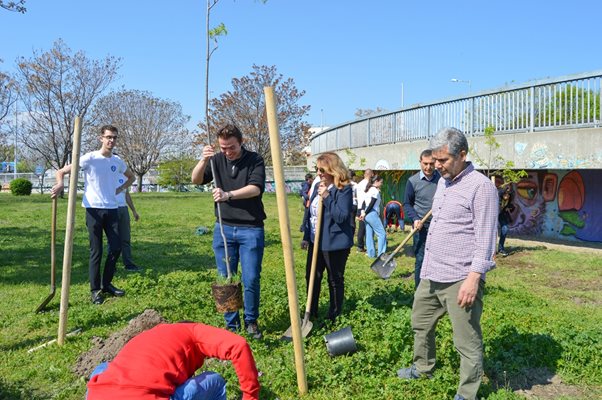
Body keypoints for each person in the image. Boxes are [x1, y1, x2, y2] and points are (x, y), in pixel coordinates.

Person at [396, 127, 498, 400]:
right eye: (434, 160)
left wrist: (473, 278)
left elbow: (487, 238)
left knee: (466, 339)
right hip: (432, 272)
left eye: (443, 160)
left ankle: (467, 393)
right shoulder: (444, 182)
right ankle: (423, 367)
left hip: (460, 278)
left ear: (462, 154)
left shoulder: (481, 187)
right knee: (420, 322)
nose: (437, 166)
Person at [191, 124, 266, 339]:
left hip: (250, 229)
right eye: (223, 148)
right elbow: (195, 179)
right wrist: (204, 159)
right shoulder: (215, 161)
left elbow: (255, 188)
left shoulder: (255, 160)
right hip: (223, 228)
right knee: (226, 278)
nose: (227, 152)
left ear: (240, 142)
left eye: (231, 147)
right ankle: (231, 326)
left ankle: (251, 321)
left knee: (251, 278)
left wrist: (228, 195)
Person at [51, 125, 135, 305]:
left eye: (114, 138)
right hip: (93, 210)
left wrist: (120, 188)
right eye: (108, 137)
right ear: (101, 138)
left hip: (112, 209)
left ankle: (107, 284)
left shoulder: (117, 161)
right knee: (96, 251)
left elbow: (131, 177)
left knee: (116, 247)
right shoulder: (90, 158)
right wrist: (60, 184)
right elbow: (61, 171)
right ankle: (95, 290)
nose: (111, 141)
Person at [86, 322, 260, 400]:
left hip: (98, 394)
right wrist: (250, 396)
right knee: (217, 382)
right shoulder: (193, 333)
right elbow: (238, 345)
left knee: (105, 367)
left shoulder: (151, 335)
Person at [301, 152, 353, 322]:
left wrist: (327, 197)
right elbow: (311, 214)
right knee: (311, 276)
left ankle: (334, 314)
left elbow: (341, 216)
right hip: (316, 241)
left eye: (322, 170)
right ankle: (311, 312)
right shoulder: (318, 187)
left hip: (334, 243)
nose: (318, 173)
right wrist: (306, 235)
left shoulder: (344, 190)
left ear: (333, 170)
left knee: (334, 279)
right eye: (317, 169)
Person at [403, 149, 440, 289]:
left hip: (439, 225)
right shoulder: (412, 181)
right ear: (420, 162)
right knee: (420, 258)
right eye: (425, 163)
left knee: (438, 259)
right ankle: (419, 291)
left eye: (431, 164)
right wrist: (415, 219)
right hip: (421, 226)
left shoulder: (443, 180)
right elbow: (407, 203)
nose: (428, 167)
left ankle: (436, 289)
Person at [114, 177, 143, 272]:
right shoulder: (109, 174)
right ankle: (112, 265)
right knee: (114, 239)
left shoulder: (124, 176)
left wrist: (134, 211)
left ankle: (128, 263)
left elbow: (126, 195)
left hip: (123, 209)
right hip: (112, 209)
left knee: (126, 238)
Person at [360, 174, 387, 258]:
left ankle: (371, 254)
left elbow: (364, 203)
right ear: (376, 182)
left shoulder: (367, 190)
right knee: (382, 234)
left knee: (369, 234)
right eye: (381, 182)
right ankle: (381, 254)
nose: (382, 184)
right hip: (372, 213)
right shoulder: (375, 190)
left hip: (367, 214)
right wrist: (366, 212)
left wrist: (363, 212)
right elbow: (373, 202)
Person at [355, 168, 374, 252]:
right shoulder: (368, 184)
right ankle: (366, 245)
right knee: (367, 228)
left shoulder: (359, 184)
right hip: (365, 206)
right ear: (369, 174)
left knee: (361, 228)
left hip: (359, 206)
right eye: (372, 174)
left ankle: (360, 245)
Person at [497, 185, 515, 256]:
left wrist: (509, 208)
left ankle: (501, 249)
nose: (507, 196)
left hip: (502, 216)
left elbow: (512, 207)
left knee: (505, 229)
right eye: (505, 194)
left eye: (508, 195)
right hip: (493, 214)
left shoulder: (508, 201)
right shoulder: (497, 199)